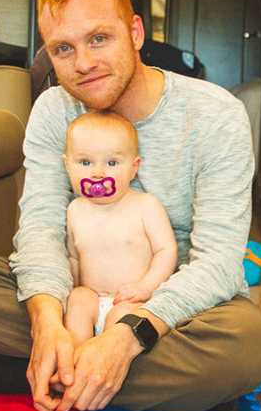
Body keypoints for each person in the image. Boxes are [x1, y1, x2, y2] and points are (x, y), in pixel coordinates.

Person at [0, 0, 261, 411]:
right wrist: (47, 325)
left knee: (248, 347)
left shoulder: (215, 115)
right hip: (78, 300)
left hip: (176, 313)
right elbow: (41, 227)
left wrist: (127, 337)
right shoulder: (52, 110)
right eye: (63, 49)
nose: (83, 63)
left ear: (135, 33)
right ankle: (143, 381)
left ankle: (14, 374)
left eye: (99, 39)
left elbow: (220, 264)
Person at [60, 109, 178, 347]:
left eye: (112, 163)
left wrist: (145, 287)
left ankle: (102, 356)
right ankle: (75, 355)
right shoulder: (74, 210)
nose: (97, 173)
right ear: (68, 166)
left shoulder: (146, 206)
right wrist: (70, 287)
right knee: (77, 299)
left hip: (133, 300)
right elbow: (73, 256)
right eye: (85, 162)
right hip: (91, 297)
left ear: (133, 168)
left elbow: (166, 251)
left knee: (121, 318)